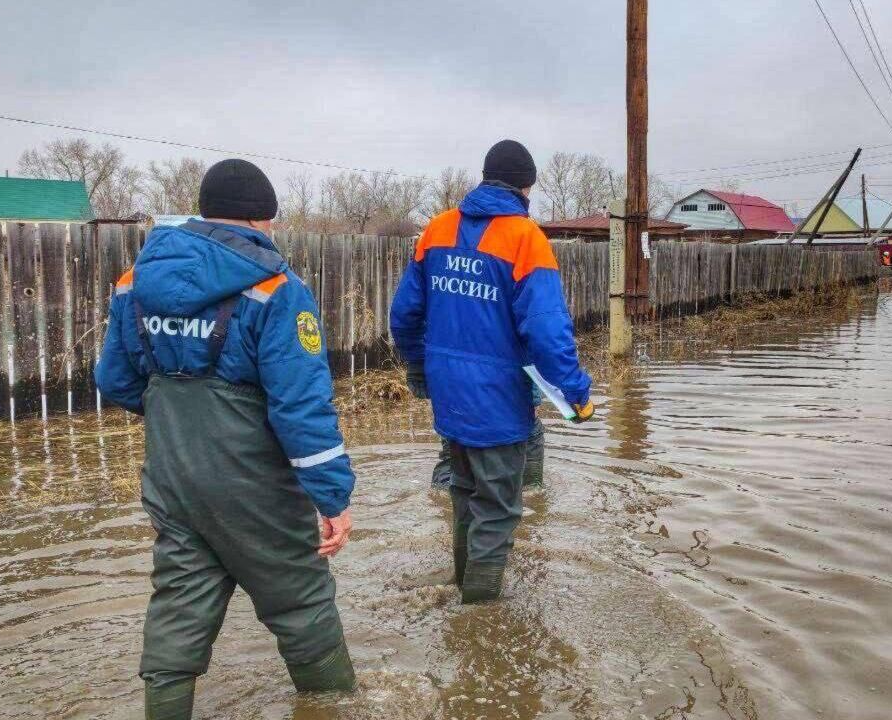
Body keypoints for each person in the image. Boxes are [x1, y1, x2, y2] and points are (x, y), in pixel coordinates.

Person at [95, 159, 357, 720]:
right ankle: (333, 706)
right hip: (253, 484)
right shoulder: (276, 289)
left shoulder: (134, 282)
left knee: (179, 608)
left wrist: (179, 422)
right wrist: (332, 497)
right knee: (302, 602)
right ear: (262, 220)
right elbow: (301, 407)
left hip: (173, 479)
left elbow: (115, 381)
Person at [390, 139, 593, 604]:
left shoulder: (438, 229)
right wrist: (576, 392)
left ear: (484, 177)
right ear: (527, 186)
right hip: (499, 398)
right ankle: (479, 618)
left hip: (449, 394)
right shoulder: (526, 239)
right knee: (498, 509)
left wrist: (420, 368)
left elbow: (403, 314)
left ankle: (463, 587)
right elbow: (547, 332)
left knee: (464, 493)